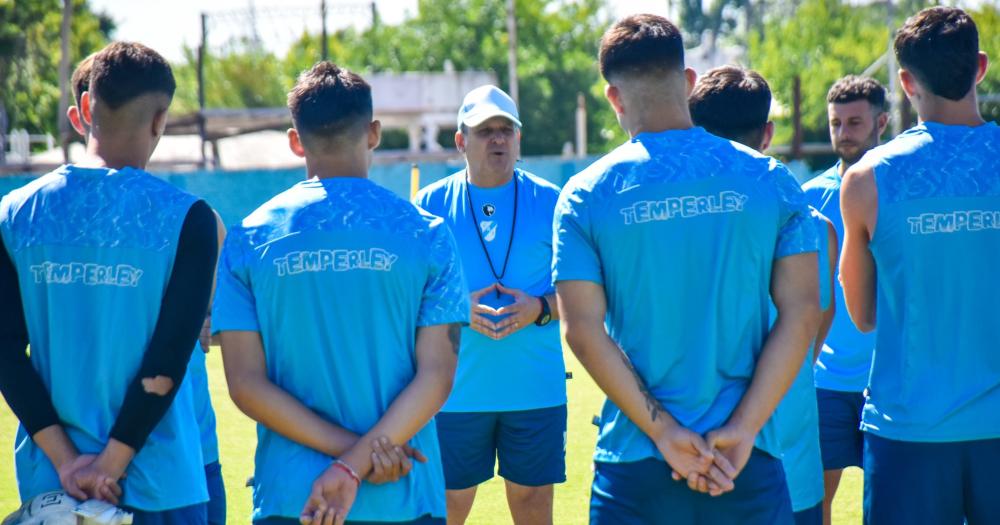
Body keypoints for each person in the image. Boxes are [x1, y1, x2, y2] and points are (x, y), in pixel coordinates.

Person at [554, 14, 820, 525]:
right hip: (747, 455)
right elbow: (803, 313)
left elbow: (582, 329)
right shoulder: (768, 178)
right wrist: (743, 428)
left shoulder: (585, 194)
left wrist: (664, 434)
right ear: (690, 81)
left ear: (613, 98)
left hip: (635, 461)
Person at [213, 61, 468, 525]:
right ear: (373, 133)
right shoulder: (428, 233)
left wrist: (352, 455)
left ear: (295, 140)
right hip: (400, 490)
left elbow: (245, 383)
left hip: (294, 497)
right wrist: (363, 457)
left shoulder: (248, 238)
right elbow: (437, 375)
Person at [0, 42, 218, 523]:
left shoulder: (13, 214)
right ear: (160, 119)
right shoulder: (189, 218)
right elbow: (167, 361)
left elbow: (5, 352)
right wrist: (110, 466)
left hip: (53, 486)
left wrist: (68, 461)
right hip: (160, 484)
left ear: (82, 109)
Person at [839, 7, 1000, 524]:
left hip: (908, 431)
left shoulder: (865, 180)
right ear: (980, 67)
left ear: (905, 81)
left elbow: (862, 315)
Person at [66, 50, 230, 525]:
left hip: (185, 452)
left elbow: (217, 327)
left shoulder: (194, 223)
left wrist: (205, 322)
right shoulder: (40, 222)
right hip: (126, 466)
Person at [690, 65, 839, 525]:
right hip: (789, 452)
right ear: (768, 133)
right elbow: (813, 326)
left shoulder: (672, 227)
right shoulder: (817, 227)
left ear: (695, 132)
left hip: (696, 452)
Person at [413, 85, 566, 525]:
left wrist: (538, 307)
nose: (498, 139)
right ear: (461, 141)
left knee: (532, 504)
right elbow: (406, 300)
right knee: (446, 508)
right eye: (485, 131)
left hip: (534, 389)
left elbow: (586, 294)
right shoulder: (428, 206)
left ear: (518, 139)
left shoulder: (553, 202)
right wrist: (456, 308)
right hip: (452, 392)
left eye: (506, 130)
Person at [801, 75, 887, 524]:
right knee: (814, 503)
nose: (843, 133)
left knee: (892, 508)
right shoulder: (808, 200)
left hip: (891, 382)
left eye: (855, 122)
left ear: (882, 122)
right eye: (836, 123)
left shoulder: (901, 188)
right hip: (826, 383)